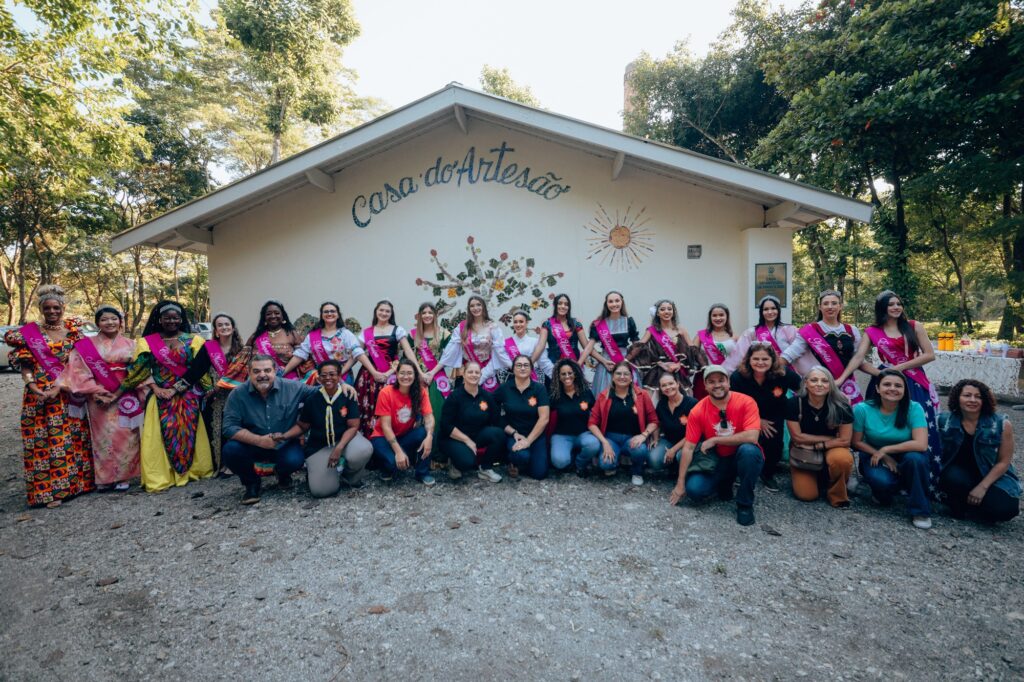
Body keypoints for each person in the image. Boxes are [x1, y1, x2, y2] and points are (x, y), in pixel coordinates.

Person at [840, 290, 941, 490]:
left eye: (898, 303)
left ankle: (923, 477)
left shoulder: (913, 326)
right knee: (878, 424)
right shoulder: (872, 331)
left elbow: (929, 354)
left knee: (917, 426)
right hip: (885, 382)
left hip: (913, 381)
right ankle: (877, 472)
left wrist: (897, 369)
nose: (896, 307)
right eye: (890, 304)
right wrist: (879, 374)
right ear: (882, 308)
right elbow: (860, 359)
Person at [5, 285, 94, 507]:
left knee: (72, 439)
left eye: (56, 307)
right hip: (39, 394)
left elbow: (81, 365)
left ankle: (77, 485)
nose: (52, 312)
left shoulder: (74, 333)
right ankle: (48, 493)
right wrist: (32, 385)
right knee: (42, 442)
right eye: (47, 308)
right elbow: (25, 364)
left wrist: (60, 386)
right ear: (41, 309)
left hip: (67, 391)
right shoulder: (30, 334)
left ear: (63, 308)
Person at [222, 354, 356, 503]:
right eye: (257, 371)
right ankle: (251, 483)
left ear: (275, 371)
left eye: (267, 370)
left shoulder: (293, 387)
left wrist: (341, 384)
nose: (262, 375)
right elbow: (228, 427)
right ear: (249, 372)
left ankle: (283, 474)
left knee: (294, 459)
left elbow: (321, 391)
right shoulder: (237, 394)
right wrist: (259, 440)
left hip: (283, 444)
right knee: (230, 450)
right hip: (253, 445)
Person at [118, 300, 214, 492]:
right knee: (160, 436)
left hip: (186, 395)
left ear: (181, 319)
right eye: (167, 318)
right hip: (160, 395)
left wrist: (207, 389)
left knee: (189, 432)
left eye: (176, 318)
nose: (172, 321)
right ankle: (163, 475)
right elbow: (140, 370)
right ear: (159, 319)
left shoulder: (194, 340)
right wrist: (155, 388)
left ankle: (192, 471)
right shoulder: (146, 342)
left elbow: (199, 370)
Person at [668, 365, 764, 526]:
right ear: (705, 386)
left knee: (749, 451)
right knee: (695, 491)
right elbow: (689, 447)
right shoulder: (698, 410)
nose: (717, 385)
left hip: (741, 454)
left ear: (729, 382)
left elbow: (752, 436)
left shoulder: (746, 402)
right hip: (717, 458)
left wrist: (715, 440)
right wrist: (680, 483)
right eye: (711, 382)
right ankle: (724, 482)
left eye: (721, 380)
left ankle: (744, 504)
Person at [62, 305, 142, 492]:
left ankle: (124, 475)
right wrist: (96, 390)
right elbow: (78, 370)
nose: (109, 322)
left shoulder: (132, 344)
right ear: (98, 322)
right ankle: (105, 478)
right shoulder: (87, 345)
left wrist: (121, 390)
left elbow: (139, 370)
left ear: (120, 321)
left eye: (113, 319)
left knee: (127, 433)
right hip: (97, 395)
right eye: (104, 319)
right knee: (102, 436)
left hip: (125, 392)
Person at [278, 360, 373, 498]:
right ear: (318, 378)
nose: (328, 378)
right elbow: (302, 426)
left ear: (339, 376)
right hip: (320, 444)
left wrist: (339, 448)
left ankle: (350, 476)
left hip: (344, 440)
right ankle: (326, 474)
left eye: (332, 374)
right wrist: (284, 436)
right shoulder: (312, 399)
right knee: (321, 491)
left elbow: (353, 426)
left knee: (363, 450)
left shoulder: (348, 395)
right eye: (324, 375)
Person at [852, 369, 932, 529]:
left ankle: (920, 510)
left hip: (906, 454)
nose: (893, 389)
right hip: (873, 454)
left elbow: (921, 444)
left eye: (898, 385)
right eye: (887, 384)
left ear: (904, 390)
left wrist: (886, 450)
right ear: (877, 388)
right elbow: (856, 442)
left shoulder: (914, 408)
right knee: (883, 486)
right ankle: (886, 490)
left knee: (915, 459)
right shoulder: (862, 409)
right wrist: (880, 454)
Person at [937, 380, 1020, 523]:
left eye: (978, 396)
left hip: (990, 475)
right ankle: (960, 503)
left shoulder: (1001, 424)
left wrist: (982, 487)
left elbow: (1004, 462)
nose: (972, 400)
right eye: (967, 395)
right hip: (959, 475)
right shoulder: (944, 421)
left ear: (985, 400)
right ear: (957, 398)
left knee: (1004, 510)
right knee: (952, 477)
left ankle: (977, 505)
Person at [729, 343, 801, 492]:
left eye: (765, 359)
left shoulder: (784, 373)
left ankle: (768, 473)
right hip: (746, 416)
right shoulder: (738, 377)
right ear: (749, 359)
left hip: (774, 414)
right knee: (744, 444)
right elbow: (733, 404)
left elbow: (803, 388)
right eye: (756, 358)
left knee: (774, 444)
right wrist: (758, 421)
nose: (760, 363)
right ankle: (738, 470)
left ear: (772, 360)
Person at [786, 367, 855, 508]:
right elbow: (798, 437)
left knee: (842, 459)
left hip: (833, 448)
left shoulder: (842, 406)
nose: (819, 384)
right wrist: (832, 438)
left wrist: (819, 445)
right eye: (814, 380)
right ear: (805, 383)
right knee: (807, 495)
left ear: (831, 384)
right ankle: (818, 477)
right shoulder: (794, 403)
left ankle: (837, 494)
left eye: (824, 381)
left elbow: (845, 440)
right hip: (803, 450)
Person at [782, 290, 865, 406]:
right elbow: (791, 353)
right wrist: (771, 364)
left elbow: (858, 359)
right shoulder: (810, 330)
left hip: (846, 384)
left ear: (840, 306)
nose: (830, 307)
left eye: (834, 303)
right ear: (820, 307)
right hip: (819, 385)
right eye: (826, 303)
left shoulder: (852, 330)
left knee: (848, 418)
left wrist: (881, 372)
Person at [582, 361, 658, 486]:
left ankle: (637, 471)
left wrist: (644, 435)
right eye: (618, 373)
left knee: (640, 450)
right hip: (611, 438)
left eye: (626, 374)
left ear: (631, 377)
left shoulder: (642, 395)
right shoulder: (604, 396)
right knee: (605, 464)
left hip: (633, 439)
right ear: (612, 376)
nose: (622, 377)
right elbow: (592, 423)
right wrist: (604, 442)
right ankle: (613, 464)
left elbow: (654, 420)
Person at [369, 358, 436, 485]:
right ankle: (386, 465)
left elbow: (429, 418)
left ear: (415, 375)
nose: (406, 377)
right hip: (382, 437)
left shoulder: (420, 392)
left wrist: (429, 437)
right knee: (393, 465)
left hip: (404, 436)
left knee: (425, 433)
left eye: (410, 373)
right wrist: (398, 452)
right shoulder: (386, 392)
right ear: (396, 374)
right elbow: (386, 427)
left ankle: (422, 473)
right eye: (402, 373)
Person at [356, 300, 417, 437]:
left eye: (387, 311)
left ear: (391, 314)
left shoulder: (398, 330)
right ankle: (369, 440)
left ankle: (389, 438)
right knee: (368, 408)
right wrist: (343, 370)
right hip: (369, 376)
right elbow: (357, 353)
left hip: (391, 375)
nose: (384, 313)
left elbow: (407, 351)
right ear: (376, 312)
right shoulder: (366, 333)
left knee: (389, 409)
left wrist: (416, 370)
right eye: (381, 310)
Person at [438, 361, 505, 483]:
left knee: (498, 433)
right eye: (470, 372)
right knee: (467, 463)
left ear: (480, 375)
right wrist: (467, 440)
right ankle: (454, 463)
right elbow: (446, 425)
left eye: (477, 372)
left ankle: (485, 468)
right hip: (453, 438)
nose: (474, 375)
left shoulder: (487, 396)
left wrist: (514, 433)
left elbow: (496, 420)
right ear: (463, 374)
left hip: (476, 435)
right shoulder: (454, 397)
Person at [222, 300, 313, 386]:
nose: (273, 316)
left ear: (283, 316)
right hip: (260, 380)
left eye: (277, 313)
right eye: (269, 314)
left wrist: (282, 372)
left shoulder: (292, 334)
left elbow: (302, 359)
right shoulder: (255, 336)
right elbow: (242, 360)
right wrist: (226, 379)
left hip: (287, 379)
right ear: (264, 318)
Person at [283, 301, 371, 385]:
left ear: (338, 315)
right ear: (321, 315)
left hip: (342, 374)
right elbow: (300, 355)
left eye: (332, 311)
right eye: (326, 312)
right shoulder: (312, 336)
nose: (329, 314)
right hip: (321, 376)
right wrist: (284, 372)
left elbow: (357, 353)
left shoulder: (345, 334)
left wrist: (340, 373)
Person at [439, 295, 509, 392]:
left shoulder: (493, 327)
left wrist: (513, 366)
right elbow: (450, 351)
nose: (475, 308)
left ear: (483, 306)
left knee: (488, 405)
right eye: (472, 306)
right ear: (469, 308)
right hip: (467, 372)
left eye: (478, 305)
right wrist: (435, 370)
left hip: (488, 370)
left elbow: (500, 352)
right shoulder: (462, 326)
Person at [496, 354, 550, 480]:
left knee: (540, 474)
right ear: (513, 369)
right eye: (518, 365)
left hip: (535, 435)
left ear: (531, 369)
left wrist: (528, 441)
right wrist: (512, 431)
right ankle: (513, 461)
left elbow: (544, 418)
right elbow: (493, 412)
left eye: (526, 365)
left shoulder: (539, 389)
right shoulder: (504, 388)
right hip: (515, 435)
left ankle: (524, 463)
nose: (522, 368)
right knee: (522, 456)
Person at [204, 312, 244, 474]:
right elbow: (199, 371)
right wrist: (209, 388)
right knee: (218, 430)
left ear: (233, 328)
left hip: (237, 395)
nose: (224, 327)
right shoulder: (208, 348)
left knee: (236, 428)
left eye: (227, 324)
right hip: (215, 396)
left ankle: (234, 464)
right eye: (220, 325)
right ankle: (219, 464)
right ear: (215, 330)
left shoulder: (242, 350)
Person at [628, 299, 694, 392]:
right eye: (662, 309)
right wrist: (660, 363)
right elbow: (640, 346)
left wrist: (679, 364)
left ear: (673, 312)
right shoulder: (651, 330)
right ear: (657, 313)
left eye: (669, 309)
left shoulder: (681, 330)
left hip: (678, 370)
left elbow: (692, 351)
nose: (666, 311)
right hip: (658, 370)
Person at [731, 295, 806, 374]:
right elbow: (739, 356)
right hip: (761, 375)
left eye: (773, 308)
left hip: (785, 374)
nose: (770, 312)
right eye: (766, 309)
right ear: (761, 312)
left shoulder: (789, 330)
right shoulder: (751, 332)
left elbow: (799, 351)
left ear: (778, 310)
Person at [548, 358, 598, 474]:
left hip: (584, 434)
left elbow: (596, 414)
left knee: (593, 444)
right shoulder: (554, 395)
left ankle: (579, 463)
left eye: (570, 373)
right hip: (562, 435)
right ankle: (568, 456)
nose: (567, 376)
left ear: (575, 374)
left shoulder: (586, 392)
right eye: (563, 374)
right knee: (559, 463)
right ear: (558, 377)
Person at [409, 302, 452, 432]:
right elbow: (408, 356)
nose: (427, 315)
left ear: (435, 315)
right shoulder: (412, 334)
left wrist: (432, 372)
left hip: (437, 377)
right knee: (416, 412)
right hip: (417, 376)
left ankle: (436, 449)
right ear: (420, 316)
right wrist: (421, 374)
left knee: (437, 410)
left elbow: (448, 356)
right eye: (424, 313)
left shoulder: (444, 334)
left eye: (430, 313)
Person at [647, 373, 699, 478]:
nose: (668, 387)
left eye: (671, 383)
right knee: (654, 459)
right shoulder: (662, 404)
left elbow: (694, 433)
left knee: (681, 456)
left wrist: (673, 450)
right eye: (664, 385)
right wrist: (656, 438)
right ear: (660, 389)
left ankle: (685, 473)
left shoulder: (692, 403)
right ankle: (672, 466)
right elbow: (657, 422)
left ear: (678, 384)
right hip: (669, 440)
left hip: (689, 442)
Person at [588, 291, 640, 395]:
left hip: (625, 360)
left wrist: (626, 361)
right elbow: (589, 348)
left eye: (617, 301)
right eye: (610, 301)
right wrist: (603, 361)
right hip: (606, 363)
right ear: (606, 304)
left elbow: (637, 346)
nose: (614, 304)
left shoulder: (629, 321)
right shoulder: (599, 323)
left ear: (622, 302)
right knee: (604, 395)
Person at [533, 293, 592, 370]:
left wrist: (603, 361)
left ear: (569, 307)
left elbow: (587, 347)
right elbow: (540, 346)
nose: (563, 306)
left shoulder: (576, 323)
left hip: (574, 366)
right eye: (560, 303)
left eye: (566, 304)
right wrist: (530, 362)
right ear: (555, 305)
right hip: (553, 367)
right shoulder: (547, 324)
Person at [693, 304, 737, 399]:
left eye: (721, 315)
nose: (718, 318)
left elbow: (740, 358)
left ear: (727, 317)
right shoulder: (701, 336)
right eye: (714, 315)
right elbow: (691, 354)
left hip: (727, 378)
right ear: (710, 318)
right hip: (705, 378)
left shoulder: (734, 336)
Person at [504, 310, 553, 382]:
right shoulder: (505, 343)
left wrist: (557, 375)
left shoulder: (535, 342)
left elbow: (544, 363)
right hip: (512, 380)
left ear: (526, 323)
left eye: (521, 321)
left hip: (531, 380)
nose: (518, 324)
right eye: (515, 322)